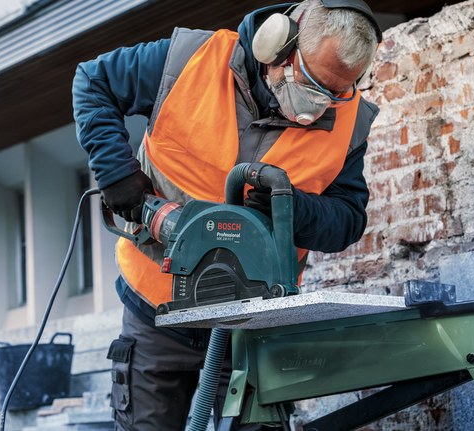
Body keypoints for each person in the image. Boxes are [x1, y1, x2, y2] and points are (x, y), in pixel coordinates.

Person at [72, 1, 382, 430]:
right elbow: (93, 79)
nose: (318, 108)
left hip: (253, 326)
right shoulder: (188, 61)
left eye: (336, 94)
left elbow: (348, 218)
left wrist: (294, 208)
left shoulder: (351, 120)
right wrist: (118, 176)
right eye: (312, 87)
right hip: (155, 314)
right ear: (278, 45)